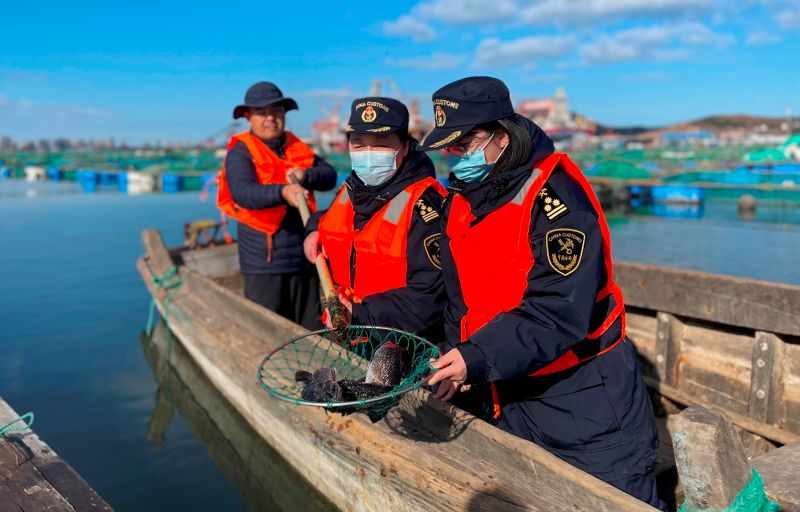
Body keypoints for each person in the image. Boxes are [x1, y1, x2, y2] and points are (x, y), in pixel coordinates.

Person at [422, 77, 665, 510]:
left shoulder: (555, 197)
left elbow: (557, 309)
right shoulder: (461, 200)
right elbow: (462, 303)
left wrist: (476, 358)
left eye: (466, 143)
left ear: (502, 133)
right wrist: (455, 355)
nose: (456, 156)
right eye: (450, 147)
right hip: (508, 390)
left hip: (583, 401)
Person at [304, 97, 446, 340]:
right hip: (348, 329)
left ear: (404, 146)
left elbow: (431, 295)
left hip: (397, 342)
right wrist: (313, 229)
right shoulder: (352, 188)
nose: (368, 154)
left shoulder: (424, 206)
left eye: (380, 144)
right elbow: (331, 218)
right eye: (358, 145)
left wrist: (361, 312)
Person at [217, 81, 337, 329]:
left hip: (303, 257)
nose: (270, 118)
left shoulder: (296, 145)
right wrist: (283, 191)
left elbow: (329, 175)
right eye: (262, 113)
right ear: (248, 117)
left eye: (277, 112)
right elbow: (243, 192)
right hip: (264, 262)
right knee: (268, 330)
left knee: (308, 329)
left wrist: (306, 176)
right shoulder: (240, 151)